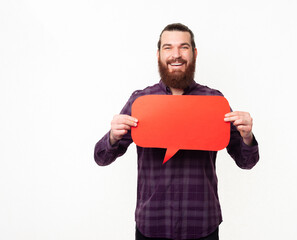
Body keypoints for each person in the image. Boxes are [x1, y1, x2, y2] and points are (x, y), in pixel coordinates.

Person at [94, 23, 259, 240]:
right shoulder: (141, 101)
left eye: (184, 47)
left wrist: (247, 137)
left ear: (194, 53)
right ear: (158, 54)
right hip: (152, 224)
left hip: (202, 225)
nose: (176, 55)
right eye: (168, 48)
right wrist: (113, 137)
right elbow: (101, 158)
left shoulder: (215, 101)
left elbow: (246, 161)